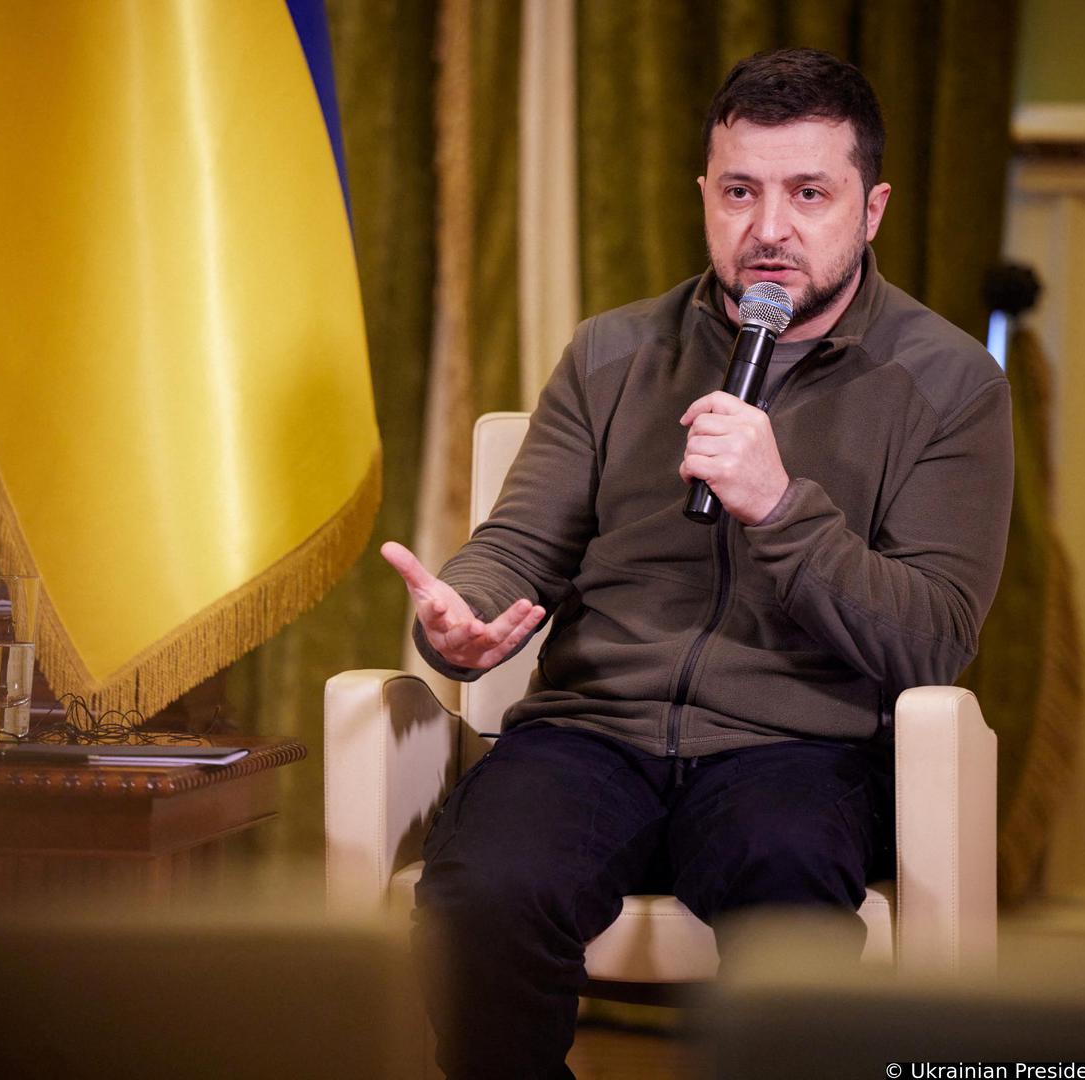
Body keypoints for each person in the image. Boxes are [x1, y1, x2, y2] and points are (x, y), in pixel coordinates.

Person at [382, 47, 1013, 1079]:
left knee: (787, 892)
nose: (768, 228)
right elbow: (516, 545)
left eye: (808, 192)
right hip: (591, 734)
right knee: (479, 896)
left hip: (798, 749)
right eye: (738, 192)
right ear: (704, 199)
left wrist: (779, 508)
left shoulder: (947, 385)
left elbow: (932, 640)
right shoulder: (610, 354)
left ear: (870, 209)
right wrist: (460, 618)